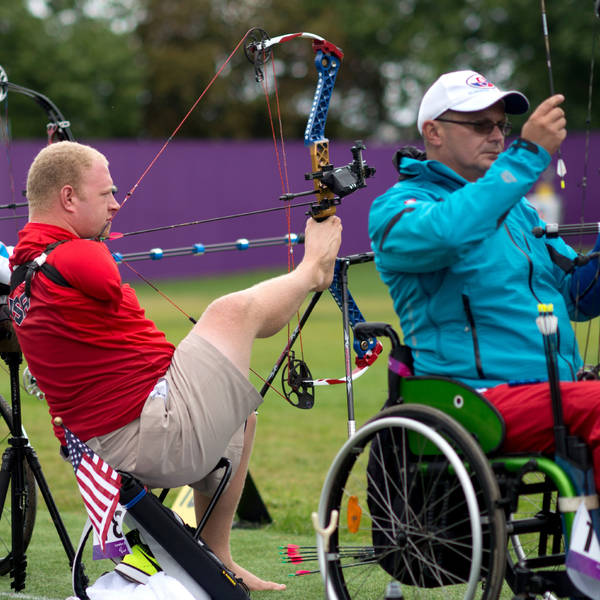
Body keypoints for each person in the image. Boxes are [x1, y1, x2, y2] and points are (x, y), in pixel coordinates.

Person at [8, 140, 343, 591]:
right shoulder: (77, 255)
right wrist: (307, 273)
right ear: (68, 198)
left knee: (237, 409)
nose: (115, 205)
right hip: (146, 439)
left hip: (113, 443)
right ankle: (313, 270)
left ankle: (216, 554)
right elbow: (103, 277)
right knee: (230, 312)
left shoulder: (24, 275)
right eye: (106, 193)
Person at [368, 69, 600, 493]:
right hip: (475, 401)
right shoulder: (397, 207)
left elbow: (576, 294)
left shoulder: (520, 211)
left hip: (551, 393)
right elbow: (450, 232)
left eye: (502, 127)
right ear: (433, 132)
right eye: (480, 125)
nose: (497, 136)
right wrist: (528, 155)